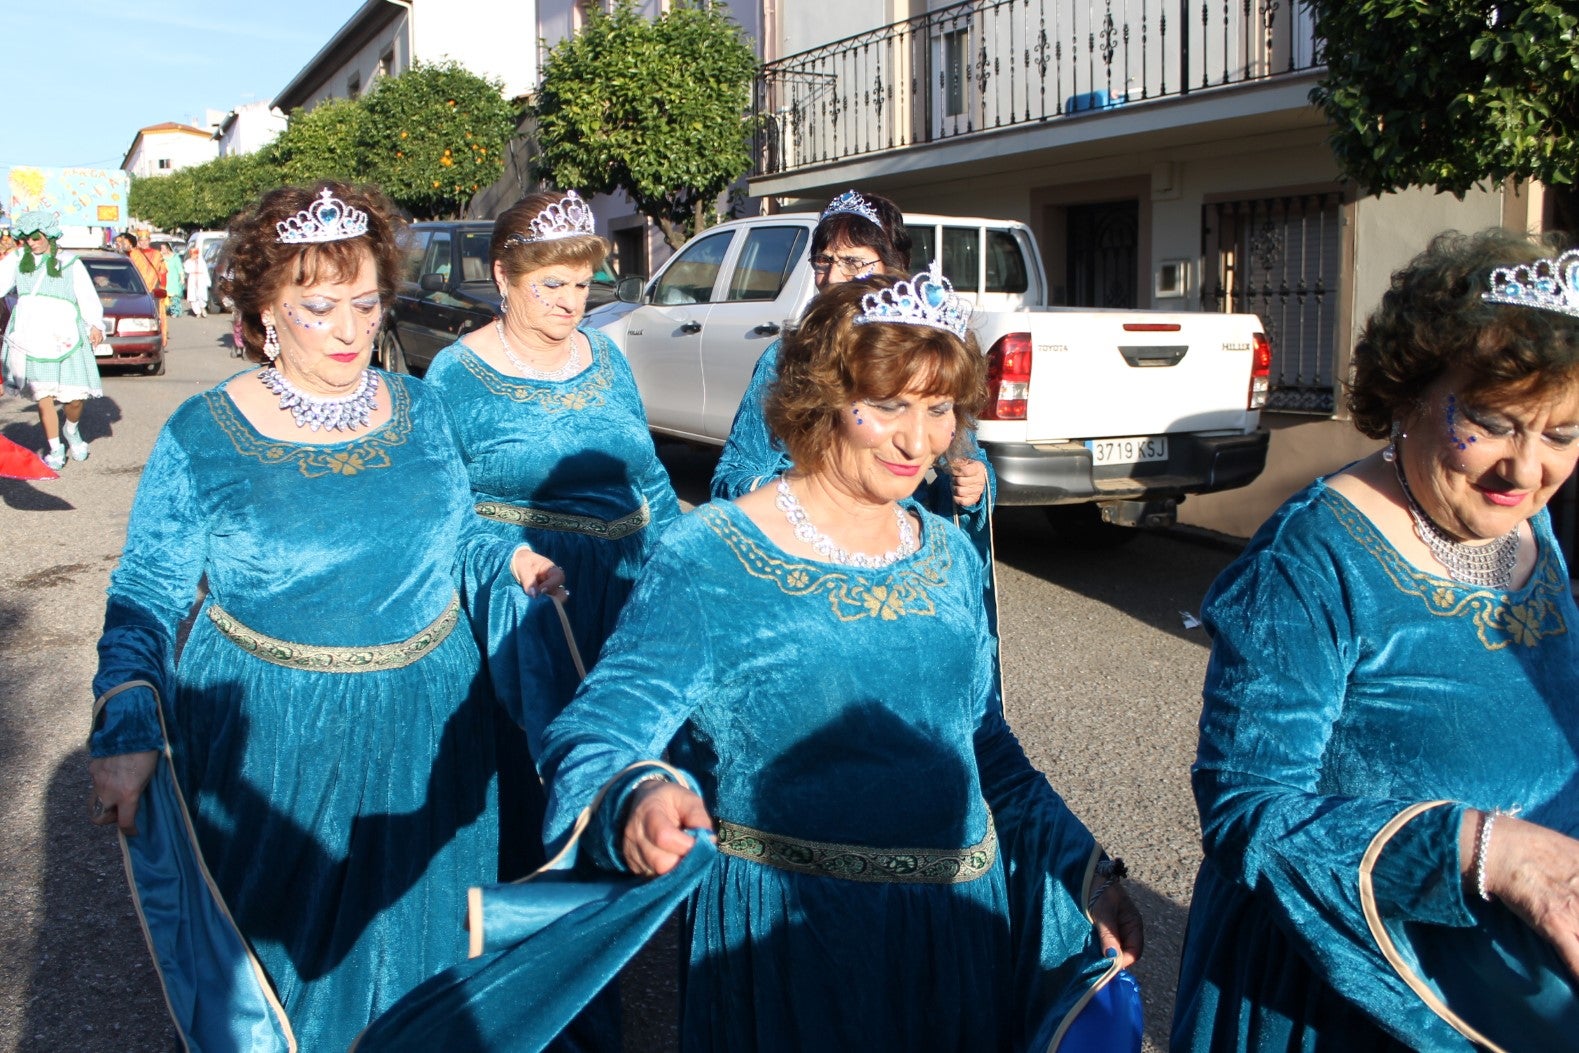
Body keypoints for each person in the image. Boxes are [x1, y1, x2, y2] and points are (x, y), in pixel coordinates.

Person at [535, 271, 1143, 1051]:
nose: (918, 440)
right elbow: (596, 729)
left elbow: (983, 744)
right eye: (887, 405)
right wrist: (640, 795)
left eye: (937, 408)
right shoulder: (713, 554)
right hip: (793, 950)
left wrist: (1085, 868)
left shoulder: (950, 555)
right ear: (823, 397)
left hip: (955, 940)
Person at [86, 181, 565, 1051]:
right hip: (278, 752)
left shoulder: (423, 408)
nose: (349, 330)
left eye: (366, 301)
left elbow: (459, 537)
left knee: (426, 977)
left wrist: (512, 561)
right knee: (287, 982)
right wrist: (125, 720)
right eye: (317, 306)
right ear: (265, 308)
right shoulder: (202, 432)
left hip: (432, 742)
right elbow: (149, 590)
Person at [1171, 229, 1579, 1051]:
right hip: (1352, 999)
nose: (1525, 471)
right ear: (1409, 392)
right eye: (1494, 423)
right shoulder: (1309, 560)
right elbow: (1247, 812)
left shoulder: (1528, 528)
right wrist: (1481, 850)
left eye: (1562, 433)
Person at [423, 190, 682, 880]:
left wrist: (684, 564)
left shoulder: (605, 355)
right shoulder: (455, 374)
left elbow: (649, 475)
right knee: (534, 788)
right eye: (550, 285)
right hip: (533, 603)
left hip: (622, 596)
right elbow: (444, 507)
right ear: (503, 277)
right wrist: (508, 558)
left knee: (624, 765)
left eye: (580, 283)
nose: (571, 302)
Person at [711, 189, 990, 523]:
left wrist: (975, 482)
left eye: (853, 262)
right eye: (823, 261)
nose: (832, 277)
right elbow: (732, 475)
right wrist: (814, 498)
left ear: (893, 266)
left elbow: (965, 457)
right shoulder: (787, 357)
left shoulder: (927, 354)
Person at [1, 210, 105, 470]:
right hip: (31, 335)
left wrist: (95, 324)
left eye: (36, 237)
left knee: (74, 400)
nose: (31, 243)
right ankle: (55, 448)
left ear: (48, 235)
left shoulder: (69, 262)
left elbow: (87, 295)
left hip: (65, 334)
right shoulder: (15, 260)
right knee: (43, 394)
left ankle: (71, 429)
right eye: (25, 239)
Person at [117, 231, 168, 342]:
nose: (144, 243)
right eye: (141, 240)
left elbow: (163, 272)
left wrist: (163, 289)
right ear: (138, 242)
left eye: (146, 240)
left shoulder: (157, 254)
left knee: (157, 315)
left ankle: (159, 339)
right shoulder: (133, 253)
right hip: (137, 290)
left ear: (149, 241)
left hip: (154, 289)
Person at [184, 243, 212, 318]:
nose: (194, 256)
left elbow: (205, 271)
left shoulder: (202, 262)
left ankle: (202, 308)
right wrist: (191, 261)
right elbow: (186, 270)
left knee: (201, 295)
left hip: (201, 279)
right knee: (193, 296)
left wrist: (207, 281)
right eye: (193, 254)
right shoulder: (188, 262)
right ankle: (197, 312)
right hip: (192, 279)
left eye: (195, 254)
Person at [161, 242, 186, 317]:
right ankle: (167, 310)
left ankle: (175, 311)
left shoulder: (175, 257)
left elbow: (180, 269)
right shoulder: (161, 258)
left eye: (163, 248)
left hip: (174, 280)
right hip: (164, 280)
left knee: (174, 297)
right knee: (165, 297)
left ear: (168, 248)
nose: (161, 250)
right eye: (161, 248)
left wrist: (182, 278)